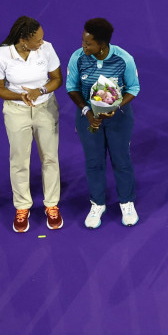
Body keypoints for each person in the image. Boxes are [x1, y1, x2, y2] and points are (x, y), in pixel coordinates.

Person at [0, 16, 64, 233]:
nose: (42, 42)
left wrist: (39, 91)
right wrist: (19, 96)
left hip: (45, 108)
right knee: (19, 159)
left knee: (50, 157)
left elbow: (56, 79)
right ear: (23, 40)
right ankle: (22, 206)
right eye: (38, 40)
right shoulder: (1, 55)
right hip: (16, 111)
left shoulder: (47, 49)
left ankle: (51, 204)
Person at [65, 18, 141, 229]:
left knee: (121, 160)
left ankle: (126, 202)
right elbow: (72, 87)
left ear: (102, 45)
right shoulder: (78, 58)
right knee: (94, 162)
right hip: (88, 118)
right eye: (83, 41)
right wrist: (87, 110)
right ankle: (97, 203)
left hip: (119, 119)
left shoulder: (124, 59)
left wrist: (114, 107)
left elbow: (133, 88)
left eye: (88, 44)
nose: (83, 46)